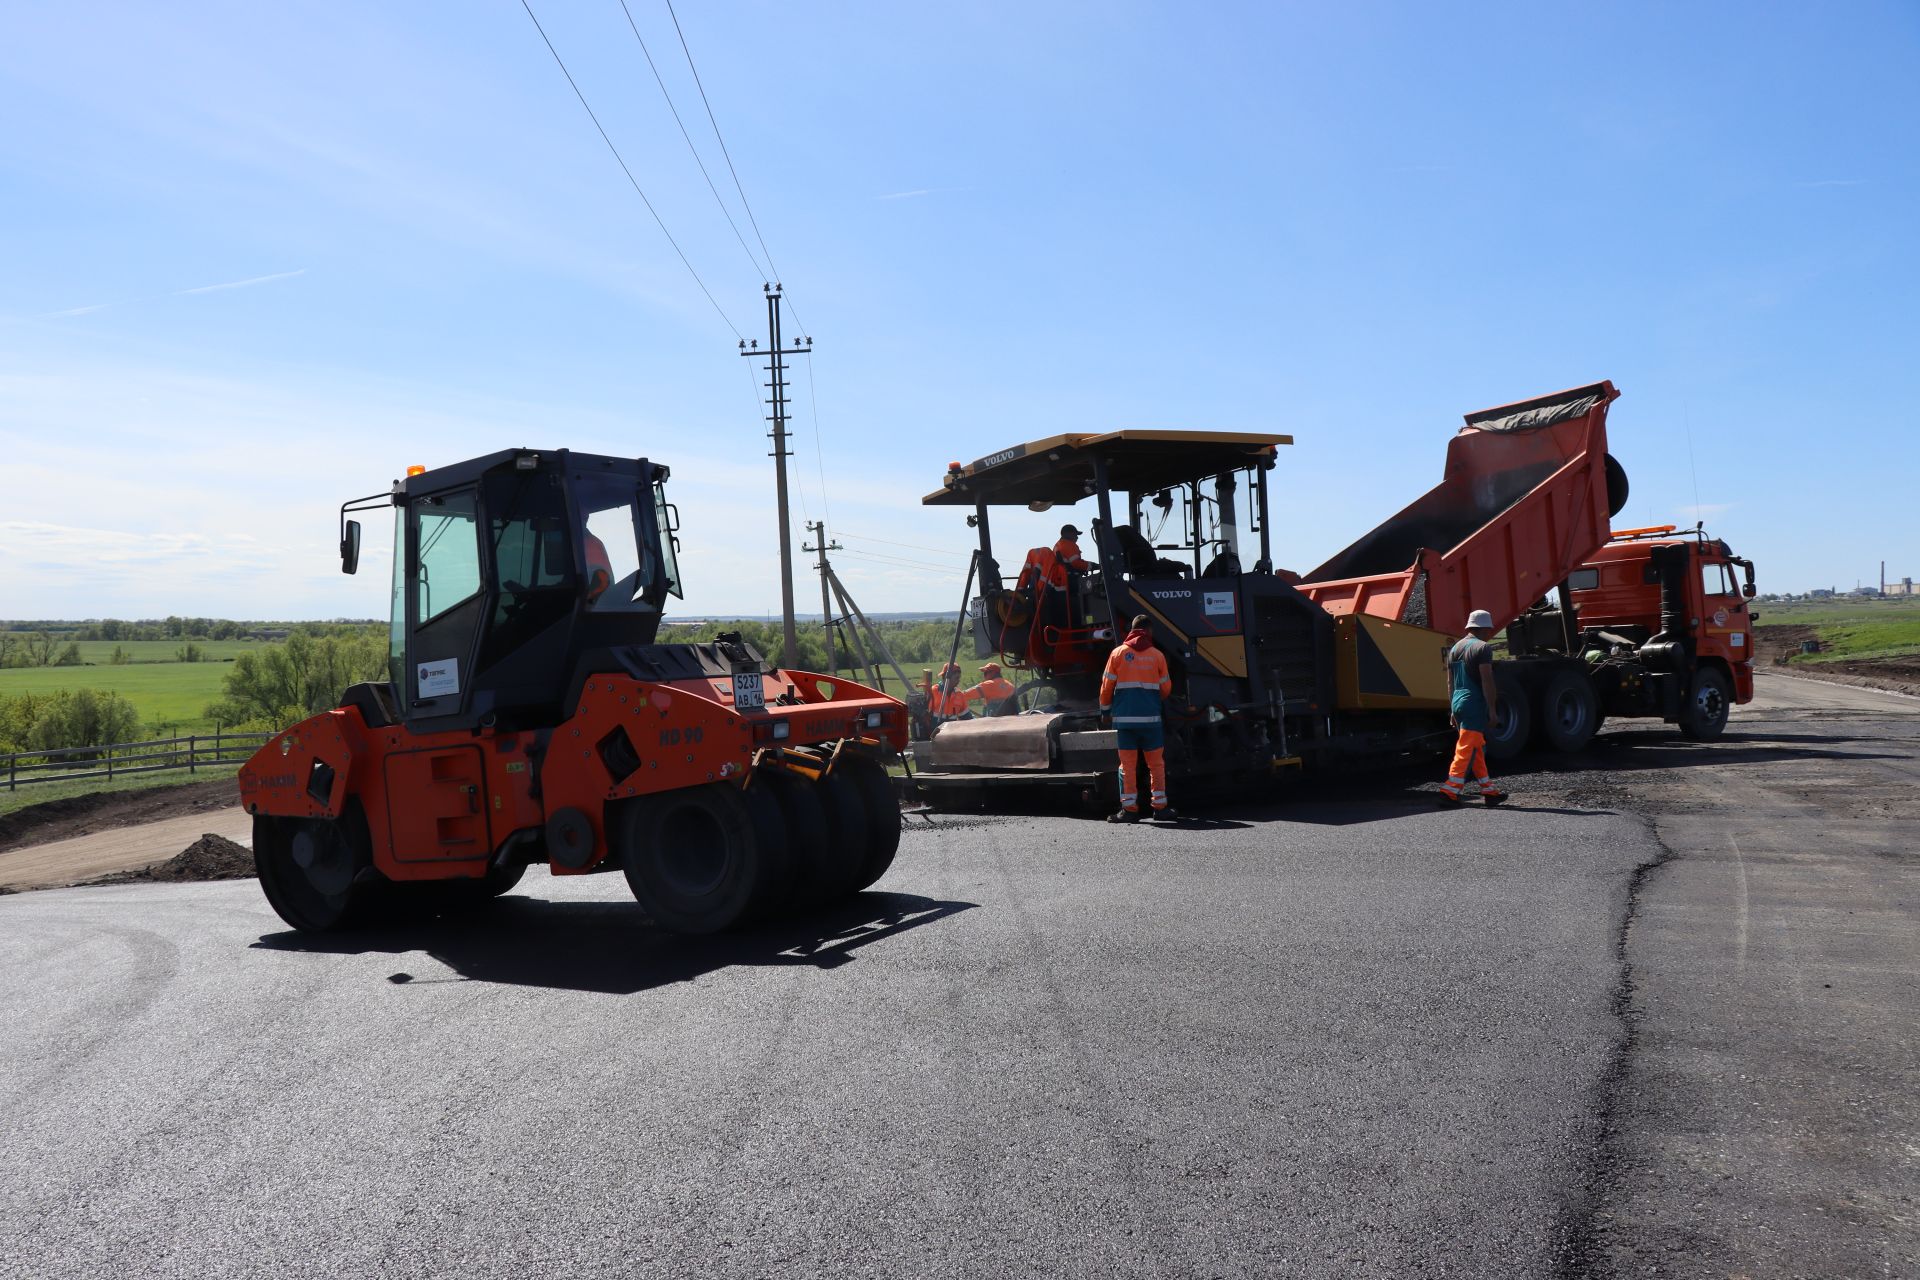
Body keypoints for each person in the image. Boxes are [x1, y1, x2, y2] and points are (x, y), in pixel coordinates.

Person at [1100, 614, 1176, 822]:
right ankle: (1160, 808)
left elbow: (1106, 688)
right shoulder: (1157, 656)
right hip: (1151, 721)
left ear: (1131, 631)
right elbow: (1166, 689)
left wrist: (1105, 712)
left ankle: (1129, 810)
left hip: (1125, 723)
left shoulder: (1117, 654)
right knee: (1156, 765)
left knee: (1127, 766)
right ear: (1149, 632)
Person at [1438, 608, 1508, 807]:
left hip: (1459, 701)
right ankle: (1449, 790)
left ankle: (1489, 791)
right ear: (1485, 629)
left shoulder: (1455, 648)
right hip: (1473, 703)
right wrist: (1493, 710)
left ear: (1469, 627)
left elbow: (1450, 682)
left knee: (1477, 746)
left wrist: (1452, 709)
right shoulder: (1482, 648)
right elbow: (1487, 680)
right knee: (1467, 747)